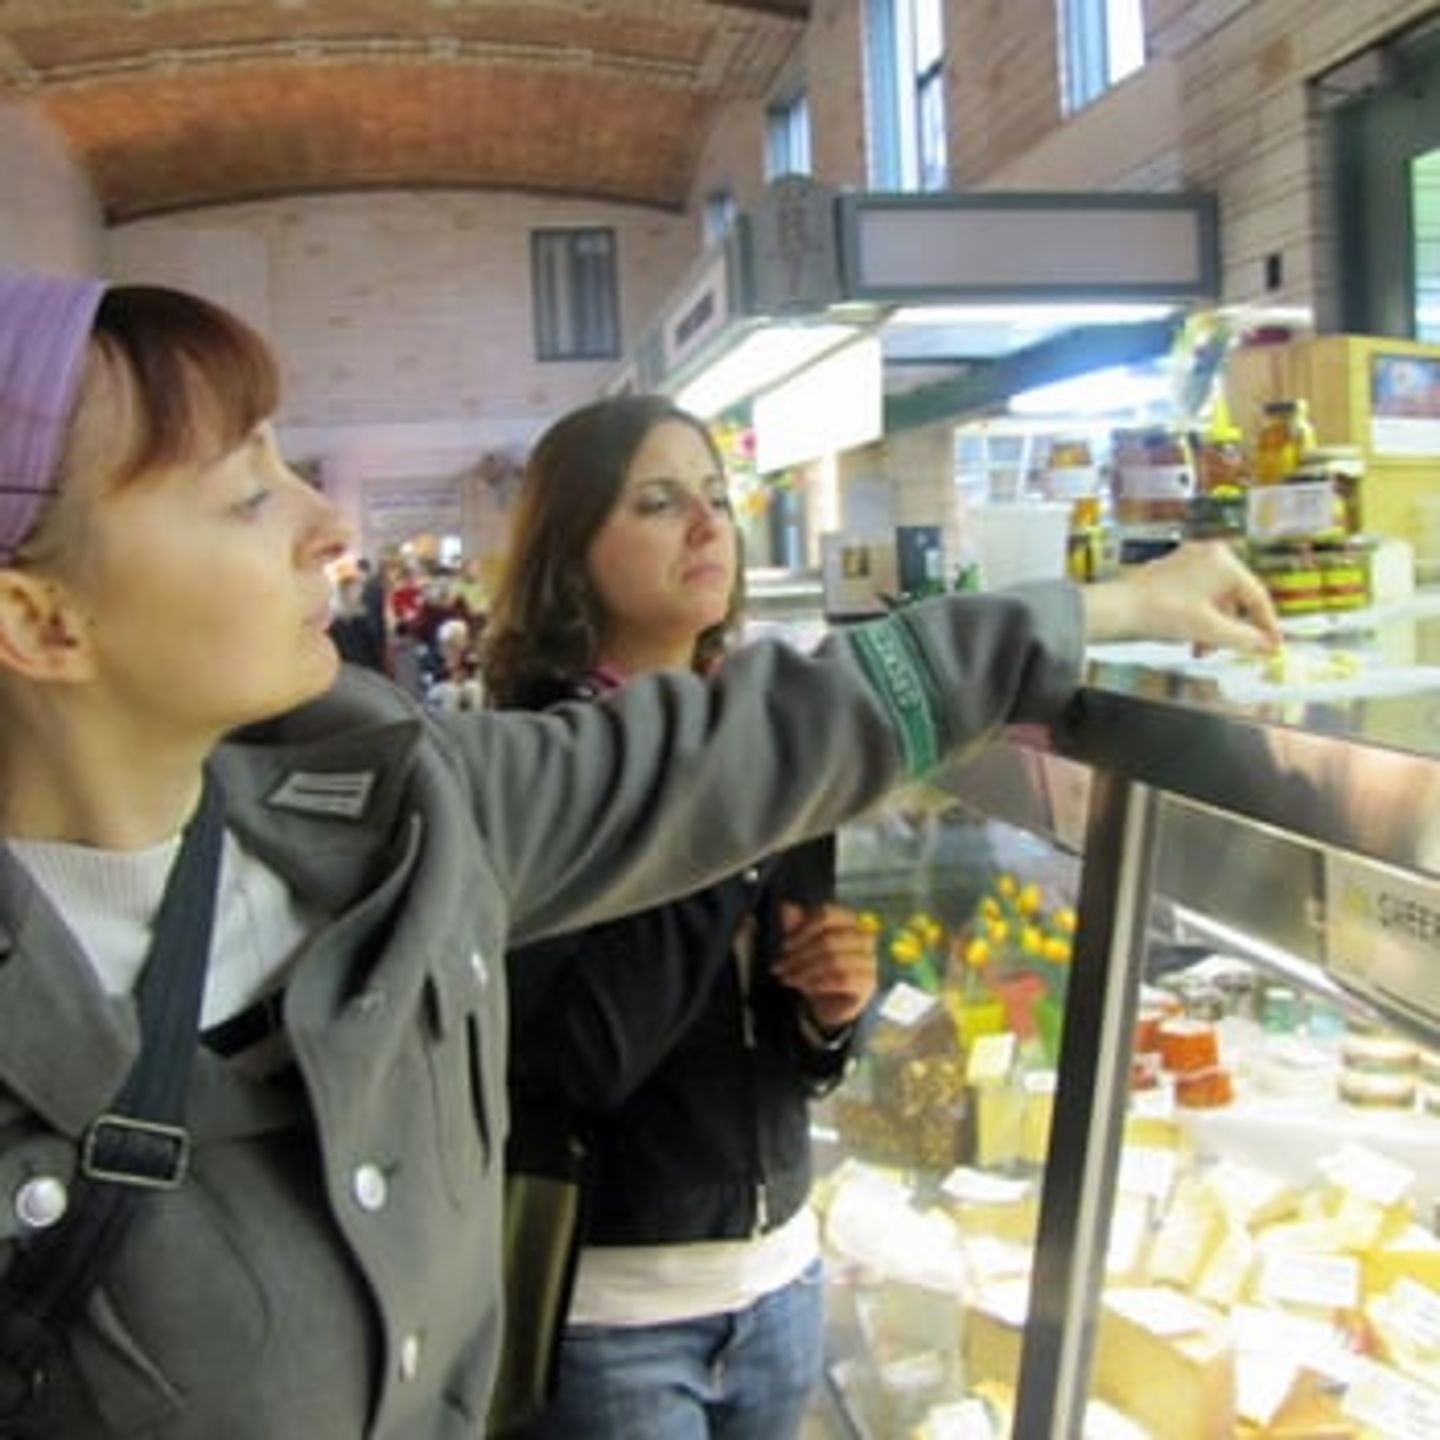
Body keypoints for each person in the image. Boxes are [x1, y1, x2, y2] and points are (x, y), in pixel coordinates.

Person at [0, 267, 1280, 1440]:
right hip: (619, 1307)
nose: (330, 523)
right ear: (40, 619)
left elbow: (764, 737)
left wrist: (1098, 608)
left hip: (763, 1260)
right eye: (242, 492)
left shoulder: (393, 804)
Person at [482, 395, 881, 1439]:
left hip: (781, 1279)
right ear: (571, 551)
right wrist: (731, 817)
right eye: (659, 503)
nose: (708, 527)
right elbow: (572, 1061)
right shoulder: (541, 761)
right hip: (611, 1312)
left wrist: (830, 1012)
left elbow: (795, 1050)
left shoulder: (753, 731)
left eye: (716, 498)